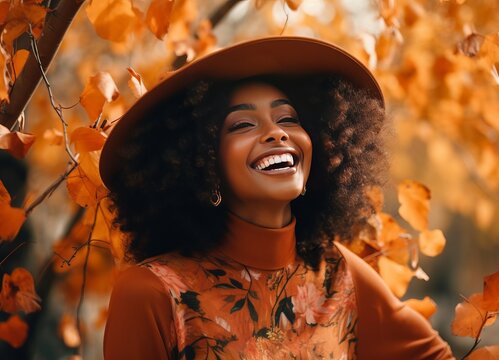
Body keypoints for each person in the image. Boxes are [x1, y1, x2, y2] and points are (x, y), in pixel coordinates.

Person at [100, 36, 454, 359]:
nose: (276, 133)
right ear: (202, 162)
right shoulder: (152, 295)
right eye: (243, 125)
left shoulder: (339, 276)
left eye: (288, 118)